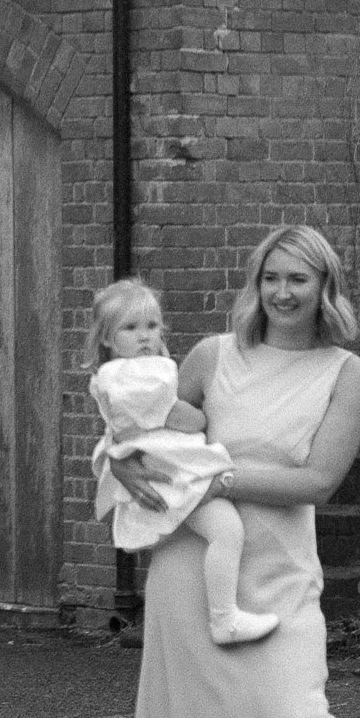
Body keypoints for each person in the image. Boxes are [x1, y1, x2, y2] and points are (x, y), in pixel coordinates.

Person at [115, 226, 360, 718]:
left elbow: (319, 482)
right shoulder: (209, 358)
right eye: (271, 279)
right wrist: (130, 469)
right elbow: (141, 435)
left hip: (283, 578)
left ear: (326, 289)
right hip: (192, 575)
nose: (284, 293)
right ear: (255, 285)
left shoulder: (344, 372)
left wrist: (212, 475)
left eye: (300, 280)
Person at [85, 278, 274, 649]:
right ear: (107, 339)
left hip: (158, 467)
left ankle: (221, 615)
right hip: (172, 471)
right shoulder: (138, 376)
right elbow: (176, 416)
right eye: (131, 328)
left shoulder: (112, 376)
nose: (145, 337)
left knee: (212, 537)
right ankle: (224, 617)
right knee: (227, 531)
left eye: (152, 326)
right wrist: (200, 418)